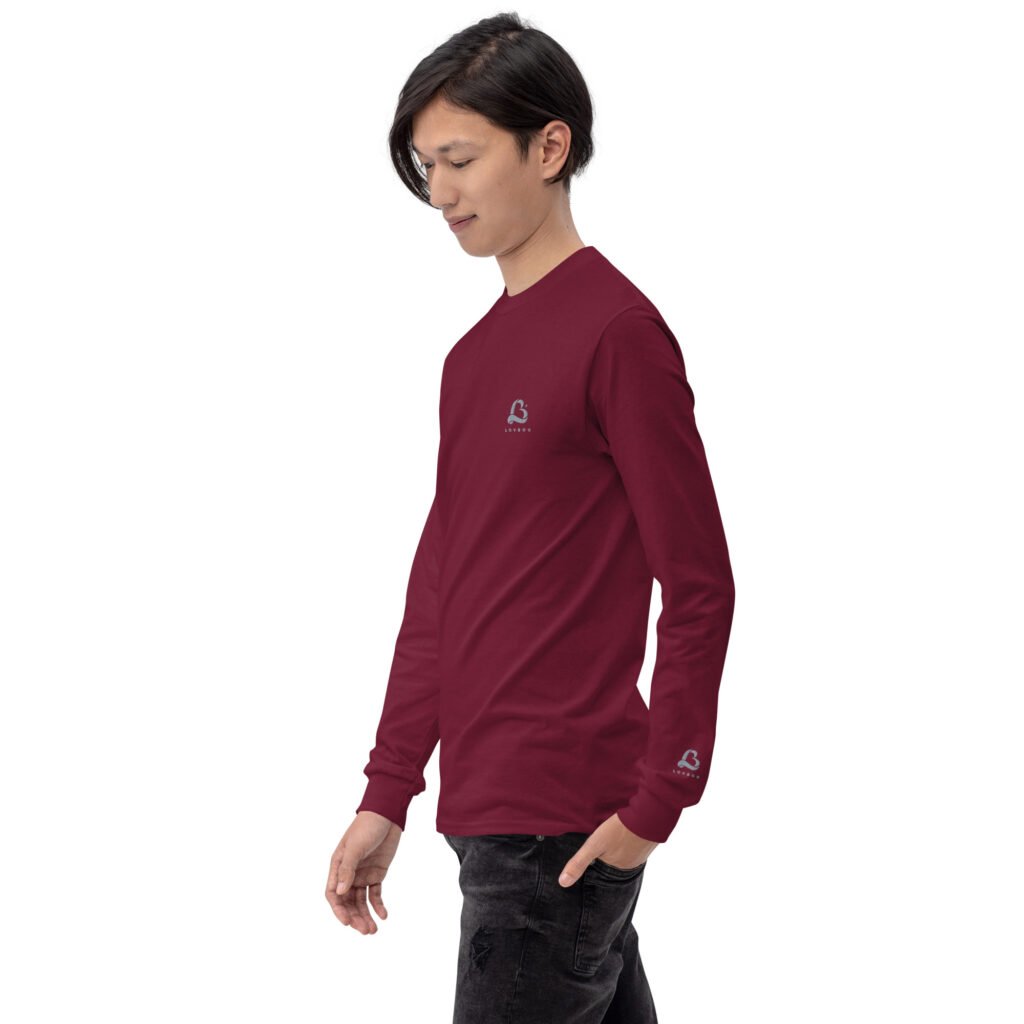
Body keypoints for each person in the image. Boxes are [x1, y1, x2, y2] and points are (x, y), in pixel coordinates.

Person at [325, 12, 736, 1022]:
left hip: (559, 834)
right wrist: (389, 788)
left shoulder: (619, 333)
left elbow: (698, 584)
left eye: (461, 160)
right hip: (493, 820)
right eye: (426, 165)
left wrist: (661, 799)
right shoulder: (469, 362)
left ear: (549, 147)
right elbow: (442, 586)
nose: (439, 192)